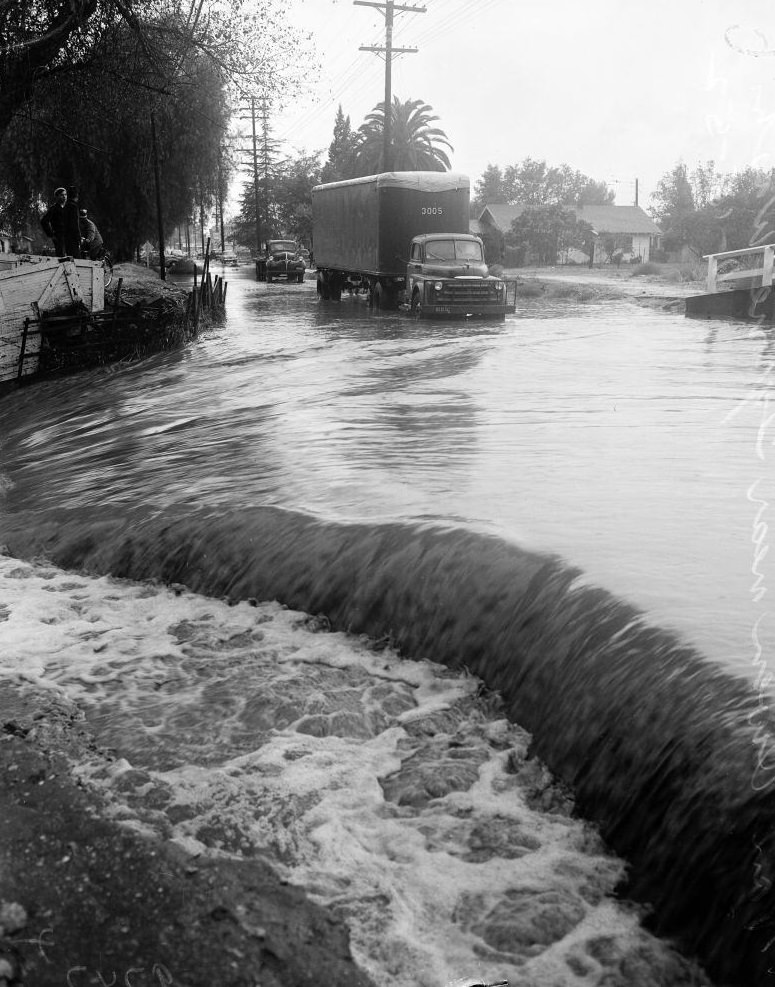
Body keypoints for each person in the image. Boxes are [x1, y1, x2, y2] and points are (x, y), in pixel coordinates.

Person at [40, 187, 68, 255]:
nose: (64, 197)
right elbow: (44, 221)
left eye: (65, 195)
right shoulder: (54, 208)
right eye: (62, 195)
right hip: (59, 236)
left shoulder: (67, 208)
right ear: (57, 196)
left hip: (68, 236)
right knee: (61, 256)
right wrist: (51, 235)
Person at [62, 186, 83, 257]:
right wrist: (79, 238)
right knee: (76, 259)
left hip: (66, 238)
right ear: (76, 195)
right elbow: (74, 225)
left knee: (69, 258)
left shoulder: (65, 207)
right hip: (73, 238)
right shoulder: (73, 207)